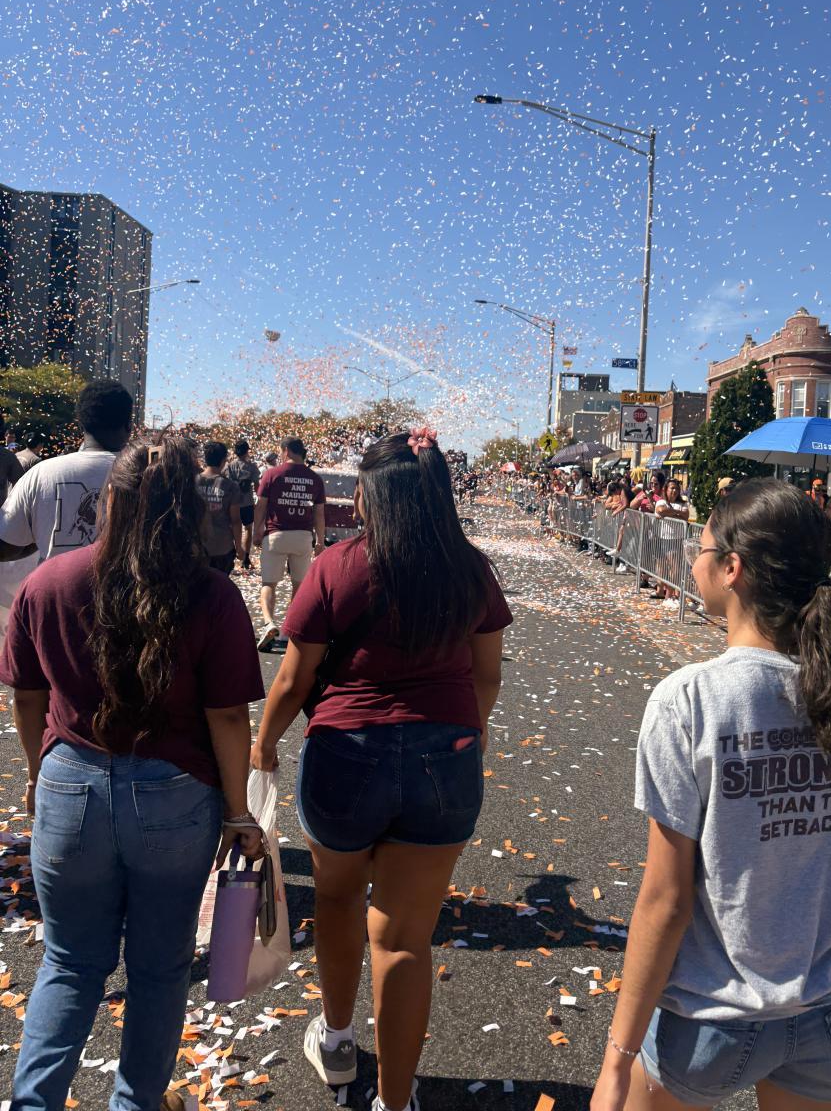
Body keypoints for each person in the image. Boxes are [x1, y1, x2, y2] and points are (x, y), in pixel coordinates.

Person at [591, 479, 831, 1111]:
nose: (693, 562)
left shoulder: (690, 701)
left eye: (701, 549)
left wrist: (617, 1058)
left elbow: (666, 900)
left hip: (712, 1012)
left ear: (732, 568)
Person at [250, 429, 512, 1111]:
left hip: (347, 751)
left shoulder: (338, 566)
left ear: (374, 497)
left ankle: (338, 1042)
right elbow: (486, 675)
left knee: (337, 900)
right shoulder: (471, 570)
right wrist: (467, 733)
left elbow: (293, 677)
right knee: (404, 939)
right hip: (446, 757)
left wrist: (264, 743)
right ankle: (397, 1100)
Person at [0, 438, 265, 1110]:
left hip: (70, 783)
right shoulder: (211, 595)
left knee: (69, 962)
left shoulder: (48, 583)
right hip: (175, 796)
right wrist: (238, 812)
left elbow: (27, 698)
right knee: (158, 969)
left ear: (108, 503)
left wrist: (37, 772)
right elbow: (227, 716)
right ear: (191, 509)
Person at [0, 380, 133, 564]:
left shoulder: (41, 474)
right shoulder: (147, 476)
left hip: (55, 582)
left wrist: (42, 536)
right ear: (129, 425)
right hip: (125, 584)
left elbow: (5, 547)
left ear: (80, 425)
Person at [253, 436, 327, 651]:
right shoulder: (314, 478)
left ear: (286, 451)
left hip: (276, 535)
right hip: (303, 537)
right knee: (299, 586)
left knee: (269, 584)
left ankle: (269, 623)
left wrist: (257, 531)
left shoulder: (272, 474)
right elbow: (319, 513)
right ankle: (288, 630)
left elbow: (261, 506)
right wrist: (320, 540)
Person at [196, 440, 244, 573]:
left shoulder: (192, 482)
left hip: (197, 546)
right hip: (222, 547)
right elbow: (235, 520)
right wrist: (239, 547)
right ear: (224, 460)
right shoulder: (230, 486)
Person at [651, 480, 689, 603]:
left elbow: (686, 515)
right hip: (665, 538)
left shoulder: (683, 503)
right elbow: (661, 510)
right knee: (666, 567)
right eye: (672, 488)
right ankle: (666, 593)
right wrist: (677, 513)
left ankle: (671, 594)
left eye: (676, 488)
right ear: (666, 489)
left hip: (678, 538)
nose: (674, 491)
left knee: (675, 568)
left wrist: (671, 513)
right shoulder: (661, 502)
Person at [225, 439, 261, 568]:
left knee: (231, 528)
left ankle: (233, 553)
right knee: (248, 529)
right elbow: (257, 485)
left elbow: (226, 484)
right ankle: (245, 558)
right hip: (247, 502)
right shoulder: (251, 466)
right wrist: (259, 500)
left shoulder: (229, 466)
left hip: (232, 503)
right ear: (247, 451)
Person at [0, 416, 24, 505]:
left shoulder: (8, 455)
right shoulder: (6, 454)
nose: (11, 439)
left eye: (13, 437)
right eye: (9, 437)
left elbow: (18, 482)